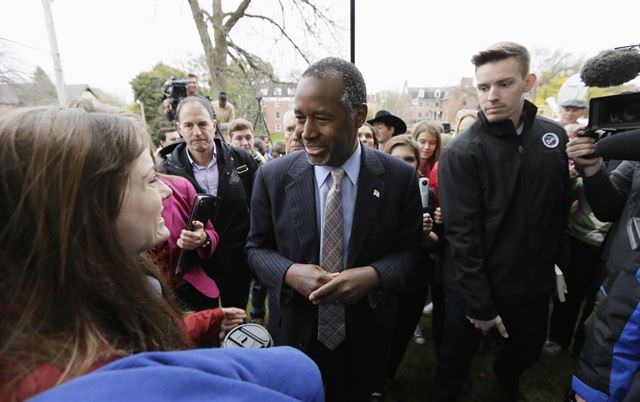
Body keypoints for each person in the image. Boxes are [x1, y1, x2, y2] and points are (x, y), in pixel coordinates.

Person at [0, 106, 248, 400]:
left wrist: (212, 315)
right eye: (149, 179)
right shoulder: (65, 383)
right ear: (93, 204)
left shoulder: (84, 306)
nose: (166, 191)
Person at [246, 57, 423, 401]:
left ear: (358, 116)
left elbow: (411, 253)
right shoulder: (272, 177)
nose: (304, 132)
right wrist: (289, 272)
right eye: (300, 117)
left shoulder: (399, 178)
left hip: (366, 336)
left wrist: (373, 275)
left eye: (322, 118)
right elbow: (255, 250)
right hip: (295, 335)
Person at [433, 42, 570, 401]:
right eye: (483, 87)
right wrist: (479, 303)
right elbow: (461, 236)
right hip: (473, 286)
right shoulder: (462, 153)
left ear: (528, 83)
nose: (491, 96)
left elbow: (557, 207)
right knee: (452, 365)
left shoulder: (552, 136)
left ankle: (505, 379)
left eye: (504, 84)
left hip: (532, 286)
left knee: (526, 352)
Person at [158, 96, 258, 310]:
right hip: (195, 268)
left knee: (237, 320)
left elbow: (257, 206)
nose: (196, 132)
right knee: (205, 327)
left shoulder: (241, 160)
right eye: (188, 125)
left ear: (214, 125)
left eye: (202, 124)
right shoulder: (167, 171)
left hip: (237, 261)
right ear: (179, 128)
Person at [147, 173, 222, 312]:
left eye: (153, 174)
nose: (166, 190)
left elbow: (211, 232)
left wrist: (202, 238)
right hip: (147, 302)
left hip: (189, 289)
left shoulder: (179, 186)